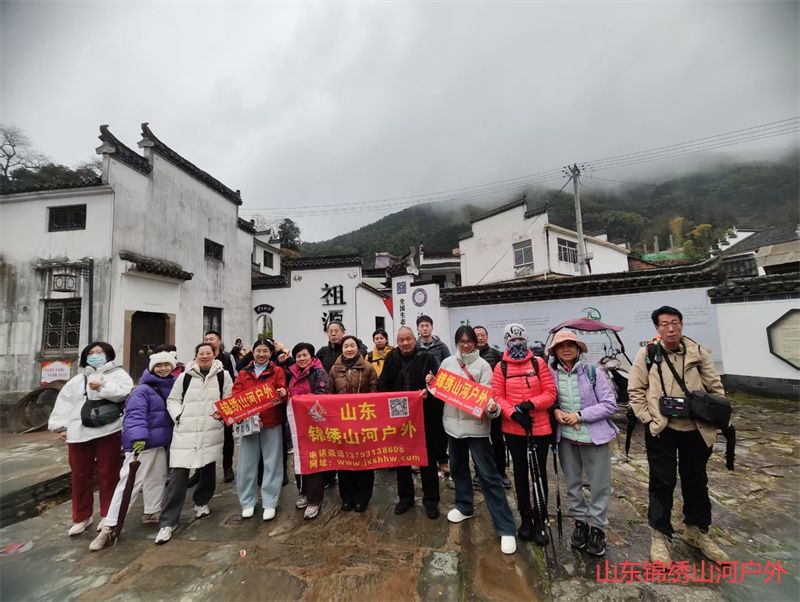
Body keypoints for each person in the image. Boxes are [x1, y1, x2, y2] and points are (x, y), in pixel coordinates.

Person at [628, 305, 729, 565]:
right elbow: (636, 390)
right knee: (662, 481)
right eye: (664, 324)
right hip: (662, 429)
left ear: (682, 324)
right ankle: (659, 535)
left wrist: (715, 415)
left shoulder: (698, 352)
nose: (671, 329)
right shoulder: (648, 354)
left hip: (696, 429)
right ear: (657, 328)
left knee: (696, 480)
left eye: (675, 323)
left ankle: (696, 531)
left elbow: (715, 388)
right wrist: (648, 419)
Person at [429, 325, 517, 555]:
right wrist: (431, 384)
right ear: (456, 342)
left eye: (469, 341)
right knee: (458, 469)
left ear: (475, 343)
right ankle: (464, 506)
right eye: (462, 341)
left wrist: (493, 409)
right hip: (452, 427)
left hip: (476, 428)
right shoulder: (447, 363)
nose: (466, 345)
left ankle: (505, 527)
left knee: (489, 476)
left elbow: (488, 400)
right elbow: (439, 392)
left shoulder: (484, 366)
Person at [90, 351, 176, 551]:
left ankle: (152, 511)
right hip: (143, 443)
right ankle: (110, 525)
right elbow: (135, 415)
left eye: (167, 365)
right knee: (129, 483)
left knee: (157, 478)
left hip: (160, 442)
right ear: (152, 368)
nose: (163, 368)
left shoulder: (172, 385)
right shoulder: (142, 390)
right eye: (159, 365)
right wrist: (138, 439)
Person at [48, 341, 133, 536]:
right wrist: (62, 426)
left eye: (99, 352)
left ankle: (108, 514)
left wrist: (103, 386)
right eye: (91, 353)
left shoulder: (118, 375)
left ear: (108, 354)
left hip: (109, 429)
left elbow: (125, 394)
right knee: (80, 475)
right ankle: (81, 517)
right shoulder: (77, 380)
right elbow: (64, 403)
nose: (95, 355)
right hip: (78, 432)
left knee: (109, 473)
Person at [548, 331, 618, 557]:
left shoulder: (593, 372)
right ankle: (580, 523)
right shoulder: (550, 374)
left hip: (593, 438)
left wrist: (579, 415)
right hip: (566, 439)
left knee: (599, 485)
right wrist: (556, 411)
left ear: (578, 348)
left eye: (571, 345)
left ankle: (597, 528)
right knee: (573, 484)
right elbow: (550, 400)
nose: (566, 349)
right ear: (555, 351)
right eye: (561, 346)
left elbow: (610, 404)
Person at [155, 342, 233, 544]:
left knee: (207, 468)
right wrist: (178, 415)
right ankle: (168, 521)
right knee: (178, 475)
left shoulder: (223, 375)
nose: (205, 356)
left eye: (208, 353)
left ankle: (202, 502)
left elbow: (229, 399)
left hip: (210, 428)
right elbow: (173, 400)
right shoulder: (185, 376)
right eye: (201, 353)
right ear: (196, 356)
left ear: (214, 355)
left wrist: (221, 414)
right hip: (186, 431)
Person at [493, 323, 557, 545]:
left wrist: (532, 403)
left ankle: (540, 519)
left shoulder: (538, 363)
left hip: (539, 427)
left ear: (526, 340)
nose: (516, 343)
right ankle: (526, 518)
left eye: (520, 339)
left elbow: (550, 393)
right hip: (514, 429)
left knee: (539, 474)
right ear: (506, 343)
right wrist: (514, 414)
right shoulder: (501, 367)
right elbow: (498, 396)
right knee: (520, 474)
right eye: (512, 340)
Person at [378, 326, 443, 519]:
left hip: (424, 415)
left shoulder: (427, 357)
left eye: (409, 339)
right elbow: (383, 386)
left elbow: (437, 385)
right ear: (397, 342)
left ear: (415, 339)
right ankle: (405, 498)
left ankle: (431, 500)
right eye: (401, 340)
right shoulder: (391, 358)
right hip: (399, 417)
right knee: (402, 458)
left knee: (427, 458)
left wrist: (428, 390)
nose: (405, 343)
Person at [232, 339, 288, 521]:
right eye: (258, 351)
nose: (262, 354)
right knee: (246, 464)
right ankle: (247, 502)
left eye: (265, 351)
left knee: (272, 463)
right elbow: (235, 394)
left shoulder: (277, 371)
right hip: (249, 424)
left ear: (271, 353)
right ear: (253, 352)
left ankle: (270, 502)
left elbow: (283, 392)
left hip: (271, 422)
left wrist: (284, 393)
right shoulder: (244, 373)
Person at [330, 335, 378, 512]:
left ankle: (362, 498)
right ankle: (347, 497)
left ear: (358, 348)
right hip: (342, 422)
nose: (349, 349)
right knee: (344, 460)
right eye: (346, 346)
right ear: (341, 349)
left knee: (364, 460)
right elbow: (329, 395)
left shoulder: (368, 367)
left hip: (363, 421)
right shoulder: (334, 369)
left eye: (352, 346)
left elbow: (375, 394)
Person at [286, 342, 332, 519]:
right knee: (299, 459)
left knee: (313, 460)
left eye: (305, 355)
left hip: (314, 424)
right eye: (298, 356)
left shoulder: (319, 373)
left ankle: (314, 500)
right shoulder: (292, 373)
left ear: (312, 357)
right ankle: (303, 493)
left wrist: (301, 402)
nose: (301, 358)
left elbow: (323, 395)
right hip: (297, 424)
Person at [474, 325, 511, 490]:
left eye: (483, 335)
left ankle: (501, 472)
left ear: (487, 337)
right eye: (477, 335)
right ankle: (478, 472)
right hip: (475, 404)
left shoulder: (497, 355)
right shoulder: (468, 357)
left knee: (497, 439)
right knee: (478, 441)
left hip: (494, 404)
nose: (480, 338)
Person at [415, 315, 451, 475]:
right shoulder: (414, 346)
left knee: (439, 427)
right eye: (421, 326)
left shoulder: (441, 347)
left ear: (432, 327)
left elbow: (449, 367)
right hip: (419, 393)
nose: (424, 328)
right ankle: (420, 459)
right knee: (420, 427)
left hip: (438, 393)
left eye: (427, 325)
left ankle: (442, 460)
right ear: (417, 329)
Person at [203, 330, 237, 483]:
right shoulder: (201, 358)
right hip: (205, 402)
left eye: (211, 338)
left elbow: (234, 378)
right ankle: (200, 470)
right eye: (206, 339)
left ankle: (227, 467)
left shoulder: (227, 358)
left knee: (227, 436)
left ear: (219, 341)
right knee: (204, 437)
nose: (208, 341)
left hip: (224, 401)